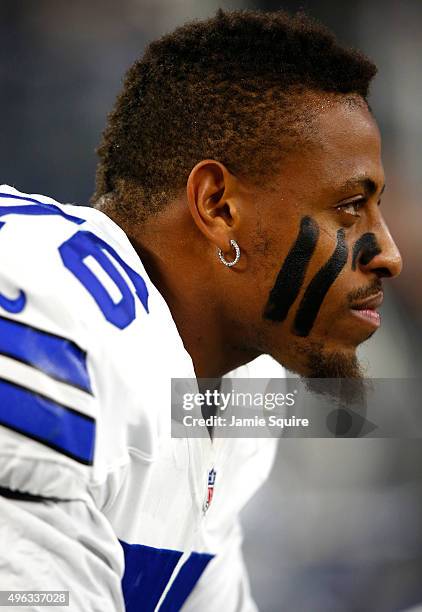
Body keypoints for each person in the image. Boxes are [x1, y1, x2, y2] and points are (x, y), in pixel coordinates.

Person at [0, 9, 401, 612]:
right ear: (218, 207)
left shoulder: (236, 385)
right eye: (348, 206)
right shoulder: (53, 333)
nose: (388, 254)